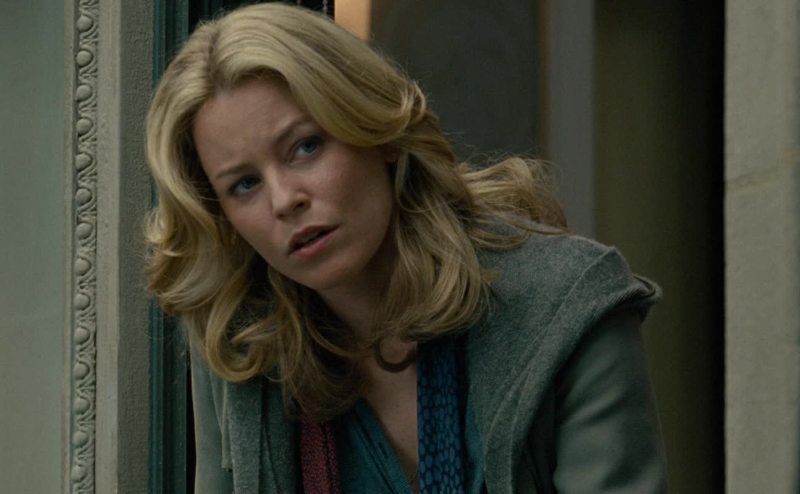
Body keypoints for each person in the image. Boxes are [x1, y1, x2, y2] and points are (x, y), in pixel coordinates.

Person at [145, 3, 666, 493]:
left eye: (306, 147)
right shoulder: (240, 341)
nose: (284, 201)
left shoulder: (565, 304)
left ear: (380, 132)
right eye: (244, 184)